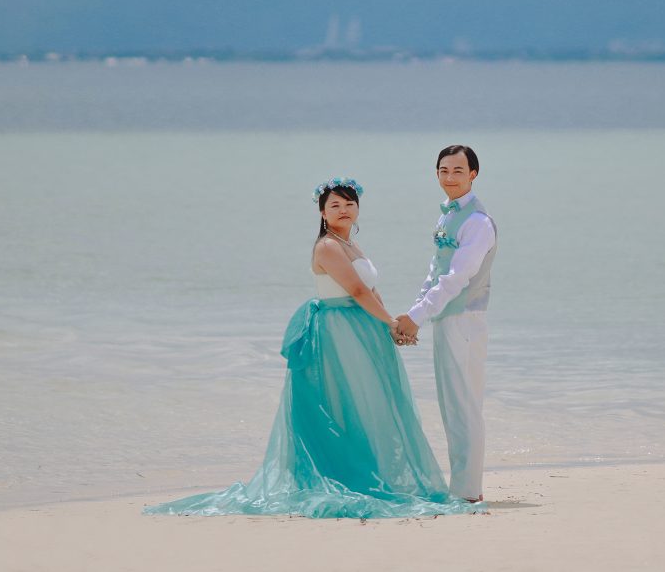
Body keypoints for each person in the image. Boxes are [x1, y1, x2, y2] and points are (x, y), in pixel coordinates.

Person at [143, 177, 478, 519]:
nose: (343, 210)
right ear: (322, 212)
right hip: (338, 331)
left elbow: (371, 290)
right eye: (335, 205)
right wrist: (392, 323)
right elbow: (357, 291)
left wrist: (388, 325)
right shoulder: (327, 247)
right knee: (341, 402)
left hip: (362, 328)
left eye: (349, 204)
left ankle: (368, 470)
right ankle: (340, 474)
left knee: (367, 402)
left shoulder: (351, 244)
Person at [394, 145, 497, 503]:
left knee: (464, 405)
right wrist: (414, 313)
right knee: (451, 405)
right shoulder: (447, 217)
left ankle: (468, 492)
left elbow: (456, 278)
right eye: (443, 170)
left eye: (458, 170)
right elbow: (434, 271)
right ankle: (462, 487)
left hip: (466, 319)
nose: (450, 177)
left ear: (473, 174)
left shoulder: (478, 222)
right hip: (446, 317)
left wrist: (417, 317)